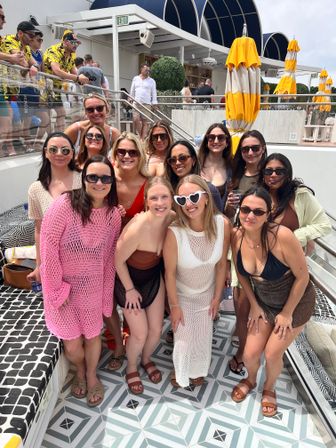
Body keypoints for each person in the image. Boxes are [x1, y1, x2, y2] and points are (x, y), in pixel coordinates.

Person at [40, 155, 121, 407]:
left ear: (112, 182)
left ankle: (91, 374)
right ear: (83, 179)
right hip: (63, 289)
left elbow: (109, 260)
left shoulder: (112, 216)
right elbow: (48, 245)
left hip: (93, 290)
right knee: (73, 344)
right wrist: (56, 291)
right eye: (93, 177)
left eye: (105, 178)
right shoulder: (65, 204)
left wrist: (106, 297)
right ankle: (79, 370)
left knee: (93, 336)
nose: (99, 182)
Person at [230, 187, 315, 417]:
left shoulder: (282, 236)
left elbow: (303, 277)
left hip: (295, 303)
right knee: (249, 355)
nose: (250, 216)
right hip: (264, 303)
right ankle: (250, 379)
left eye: (258, 212)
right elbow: (242, 274)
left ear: (269, 213)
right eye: (245, 209)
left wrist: (287, 313)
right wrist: (254, 304)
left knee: (271, 353)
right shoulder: (236, 235)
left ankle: (269, 388)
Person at [163, 175, 230, 388]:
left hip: (207, 293)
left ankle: (198, 370)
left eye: (193, 197)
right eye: (182, 200)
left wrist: (217, 298)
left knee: (202, 337)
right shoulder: (175, 233)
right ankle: (181, 371)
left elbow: (221, 265)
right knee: (183, 339)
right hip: (182, 295)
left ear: (206, 198)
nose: (189, 204)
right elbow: (170, 273)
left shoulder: (222, 224)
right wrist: (174, 306)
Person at [115, 177, 175, 394]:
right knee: (139, 333)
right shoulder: (139, 226)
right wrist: (129, 290)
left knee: (156, 330)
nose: (160, 203)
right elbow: (117, 259)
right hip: (127, 281)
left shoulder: (173, 219)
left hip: (151, 279)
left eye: (164, 197)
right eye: (154, 198)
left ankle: (146, 359)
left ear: (172, 198)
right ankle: (131, 366)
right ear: (147, 201)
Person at [104, 131, 149, 370]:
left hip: (135, 255)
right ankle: (115, 344)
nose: (126, 156)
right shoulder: (106, 178)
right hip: (104, 249)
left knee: (133, 301)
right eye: (121, 151)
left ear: (140, 154)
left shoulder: (148, 181)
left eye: (132, 152)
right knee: (107, 301)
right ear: (115, 154)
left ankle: (131, 339)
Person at [225, 129, 267, 375]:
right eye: (245, 149)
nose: (250, 153)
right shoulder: (236, 177)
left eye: (255, 148)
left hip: (265, 249)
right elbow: (232, 218)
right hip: (240, 244)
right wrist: (231, 208)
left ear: (263, 148)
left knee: (260, 305)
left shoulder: (270, 175)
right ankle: (243, 350)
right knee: (240, 304)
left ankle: (255, 348)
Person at [27, 132, 81, 283]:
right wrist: (39, 265)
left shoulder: (84, 180)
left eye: (65, 150)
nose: (59, 154)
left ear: (72, 154)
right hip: (52, 260)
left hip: (82, 257)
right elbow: (39, 230)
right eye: (53, 150)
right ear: (46, 153)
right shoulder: (35, 189)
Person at [259, 153, 331, 252]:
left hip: (290, 262)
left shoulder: (300, 195)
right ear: (263, 174)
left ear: (288, 174)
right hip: (260, 259)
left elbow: (324, 224)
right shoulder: (257, 196)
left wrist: (297, 236)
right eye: (268, 171)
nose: (273, 175)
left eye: (279, 171)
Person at [1, 21, 40, 153]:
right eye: (30, 35)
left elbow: (36, 64)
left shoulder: (27, 47)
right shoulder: (10, 40)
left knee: (10, 119)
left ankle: (11, 149)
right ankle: (11, 149)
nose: (33, 38)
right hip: (4, 85)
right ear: (20, 33)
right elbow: (20, 61)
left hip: (12, 88)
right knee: (11, 119)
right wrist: (30, 67)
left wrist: (32, 66)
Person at [43, 30, 90, 131]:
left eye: (77, 43)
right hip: (44, 87)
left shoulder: (69, 55)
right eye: (73, 42)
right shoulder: (54, 50)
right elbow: (57, 71)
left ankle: (57, 137)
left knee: (61, 114)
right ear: (65, 42)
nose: (76, 45)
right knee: (46, 119)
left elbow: (74, 72)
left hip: (56, 89)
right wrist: (77, 78)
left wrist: (82, 78)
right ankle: (38, 143)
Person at [164, 140, 222, 211]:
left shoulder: (209, 189)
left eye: (182, 158)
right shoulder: (166, 191)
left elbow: (219, 218)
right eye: (173, 160)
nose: (177, 163)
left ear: (193, 160)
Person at [0, 5, 26, 157]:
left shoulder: (3, 39)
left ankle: (6, 150)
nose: (4, 21)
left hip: (4, 87)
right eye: (1, 17)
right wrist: (11, 57)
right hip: (5, 88)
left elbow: (23, 61)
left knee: (7, 120)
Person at [198, 123, 233, 211]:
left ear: (227, 142)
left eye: (221, 137)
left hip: (219, 220)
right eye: (211, 137)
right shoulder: (195, 163)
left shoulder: (232, 167)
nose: (216, 141)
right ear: (206, 142)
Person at [130, 63, 158, 140]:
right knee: (136, 119)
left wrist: (154, 103)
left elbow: (154, 93)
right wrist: (131, 97)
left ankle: (142, 139)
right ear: (141, 69)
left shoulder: (151, 81)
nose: (147, 71)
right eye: (146, 70)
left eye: (148, 70)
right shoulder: (135, 78)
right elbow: (132, 89)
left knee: (145, 122)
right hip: (136, 102)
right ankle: (141, 135)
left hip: (147, 104)